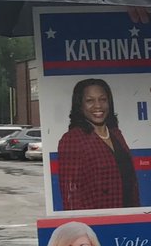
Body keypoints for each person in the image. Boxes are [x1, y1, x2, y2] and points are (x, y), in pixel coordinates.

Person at [57, 78, 140, 211]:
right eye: (90, 100)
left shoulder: (116, 133)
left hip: (128, 217)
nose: (98, 106)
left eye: (103, 99)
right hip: (98, 222)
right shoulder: (73, 139)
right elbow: (71, 194)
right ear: (80, 105)